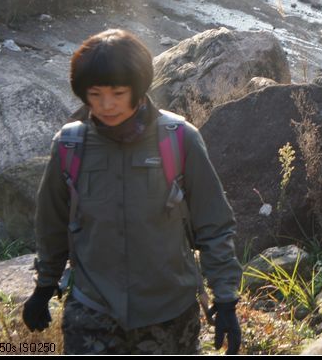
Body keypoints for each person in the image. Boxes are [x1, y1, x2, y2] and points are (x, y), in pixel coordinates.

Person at [22, 29, 243, 354]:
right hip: (92, 312)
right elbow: (51, 226)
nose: (106, 105)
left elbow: (215, 225)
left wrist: (226, 300)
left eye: (118, 93)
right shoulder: (70, 146)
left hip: (169, 314)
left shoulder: (179, 139)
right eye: (95, 95)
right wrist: (44, 287)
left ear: (138, 89)